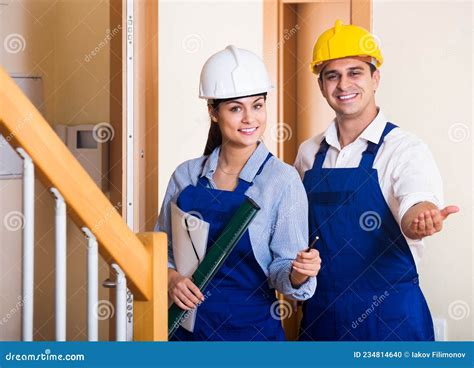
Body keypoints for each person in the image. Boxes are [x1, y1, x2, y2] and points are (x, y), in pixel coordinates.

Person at [295, 20, 459, 341]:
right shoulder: (307, 153)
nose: (343, 84)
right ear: (321, 85)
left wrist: (420, 219)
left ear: (375, 78)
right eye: (332, 75)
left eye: (355, 72)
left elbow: (417, 200)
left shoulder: (404, 148)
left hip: (391, 321)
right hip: (322, 317)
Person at [156, 45, 320, 341]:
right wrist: (171, 279)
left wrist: (299, 272)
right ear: (213, 113)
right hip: (185, 336)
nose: (250, 119)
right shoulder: (186, 176)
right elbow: (162, 252)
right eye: (235, 108)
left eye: (257, 106)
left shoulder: (281, 180)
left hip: (252, 335)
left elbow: (282, 271)